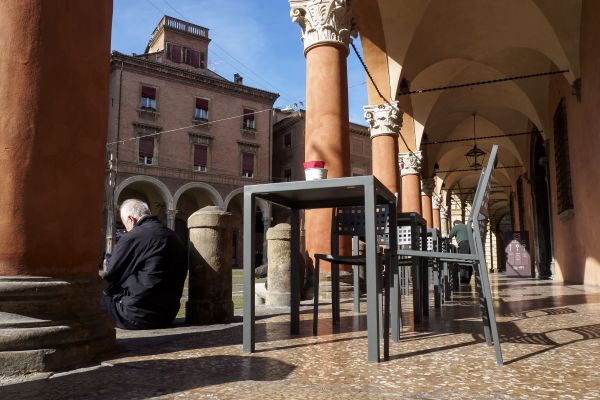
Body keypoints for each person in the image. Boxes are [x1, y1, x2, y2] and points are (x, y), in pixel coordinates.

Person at [101, 199, 187, 330]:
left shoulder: (134, 236)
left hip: (136, 316)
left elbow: (111, 279)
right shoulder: (173, 236)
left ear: (131, 219)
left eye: (125, 225)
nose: (126, 229)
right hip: (167, 315)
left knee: (87, 296)